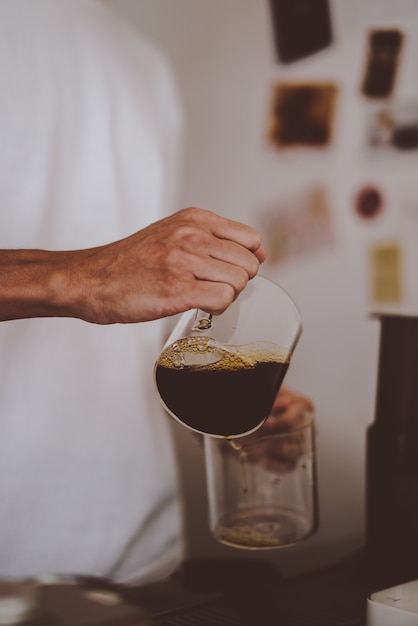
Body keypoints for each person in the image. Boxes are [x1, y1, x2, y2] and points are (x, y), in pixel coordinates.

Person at [0, 0, 312, 585]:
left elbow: (128, 320)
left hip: (139, 559)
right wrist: (80, 274)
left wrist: (212, 401)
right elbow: (103, 280)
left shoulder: (140, 60)